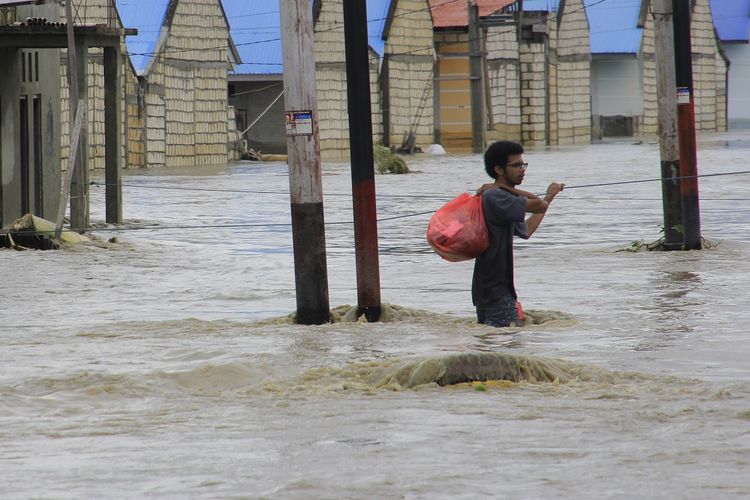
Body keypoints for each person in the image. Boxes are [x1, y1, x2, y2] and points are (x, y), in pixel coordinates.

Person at [472, 140, 564, 327]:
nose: (522, 169)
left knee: (495, 345)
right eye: (516, 165)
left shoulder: (500, 196)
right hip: (496, 291)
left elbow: (527, 230)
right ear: (499, 169)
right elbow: (539, 204)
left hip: (491, 289)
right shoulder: (497, 196)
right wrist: (504, 187)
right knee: (509, 345)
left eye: (523, 164)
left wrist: (550, 197)